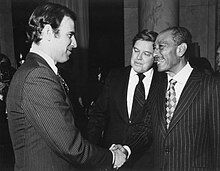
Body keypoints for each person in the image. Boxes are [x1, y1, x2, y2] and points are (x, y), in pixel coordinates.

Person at [6, 3, 127, 171]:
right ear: (48, 32)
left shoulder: (40, 71)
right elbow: (71, 147)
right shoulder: (37, 77)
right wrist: (112, 157)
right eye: (70, 35)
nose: (75, 43)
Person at [149, 26, 220, 170]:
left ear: (180, 49)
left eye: (161, 47)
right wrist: (125, 149)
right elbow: (146, 128)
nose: (154, 54)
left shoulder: (211, 86)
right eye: (154, 48)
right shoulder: (156, 87)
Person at [87, 29, 159, 170]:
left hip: (148, 162)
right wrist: (93, 151)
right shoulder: (115, 76)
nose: (138, 58)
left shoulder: (162, 82)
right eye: (136, 50)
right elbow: (98, 115)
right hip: (113, 159)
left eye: (146, 54)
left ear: (155, 57)